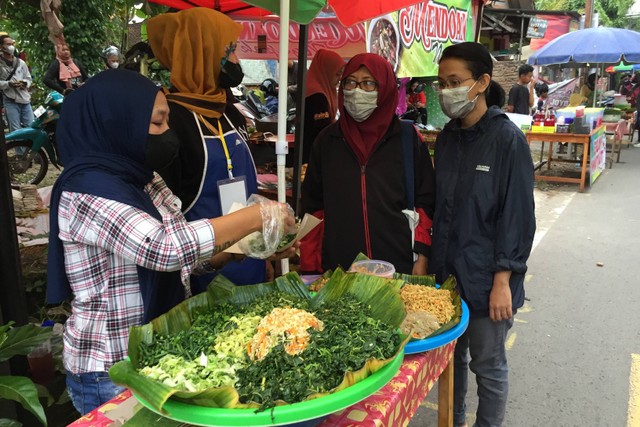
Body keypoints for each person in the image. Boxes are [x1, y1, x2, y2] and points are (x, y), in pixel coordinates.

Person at [46, 69, 293, 415]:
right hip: (111, 370)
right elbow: (162, 248)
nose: (167, 134)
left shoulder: (142, 179)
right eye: (157, 123)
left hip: (156, 355)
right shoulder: (87, 191)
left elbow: (178, 256)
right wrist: (256, 216)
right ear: (118, 123)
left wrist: (239, 249)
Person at [429, 42, 536, 427]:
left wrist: (503, 280)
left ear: (482, 83)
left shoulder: (507, 140)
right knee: (450, 363)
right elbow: (441, 208)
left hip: (489, 278)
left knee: (488, 367)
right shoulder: (446, 139)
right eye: (441, 83)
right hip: (447, 278)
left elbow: (518, 217)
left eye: (454, 81)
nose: (446, 91)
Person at [148, 8, 275, 291]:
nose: (236, 60)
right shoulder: (170, 122)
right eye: (229, 50)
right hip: (201, 273)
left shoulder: (229, 111)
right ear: (201, 54)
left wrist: (263, 254)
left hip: (249, 260)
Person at [301, 53, 435, 275]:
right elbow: (314, 209)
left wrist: (422, 256)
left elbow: (425, 201)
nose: (357, 91)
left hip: (397, 266)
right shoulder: (327, 141)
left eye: (368, 83)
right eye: (350, 82)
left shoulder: (407, 139)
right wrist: (311, 266)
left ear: (385, 88)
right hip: (340, 271)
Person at [302, 49, 344, 164]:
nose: (340, 78)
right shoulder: (316, 96)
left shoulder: (320, 89)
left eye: (341, 74)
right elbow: (322, 129)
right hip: (314, 155)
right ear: (327, 70)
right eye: (337, 74)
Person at [0, 35, 34, 132]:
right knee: (16, 131)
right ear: (1, 46)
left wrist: (24, 83)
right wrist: (9, 84)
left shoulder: (21, 62)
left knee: (31, 128)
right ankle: (19, 147)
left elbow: (28, 78)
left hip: (25, 100)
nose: (11, 46)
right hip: (10, 100)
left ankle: (31, 148)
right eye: (8, 44)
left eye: (12, 44)